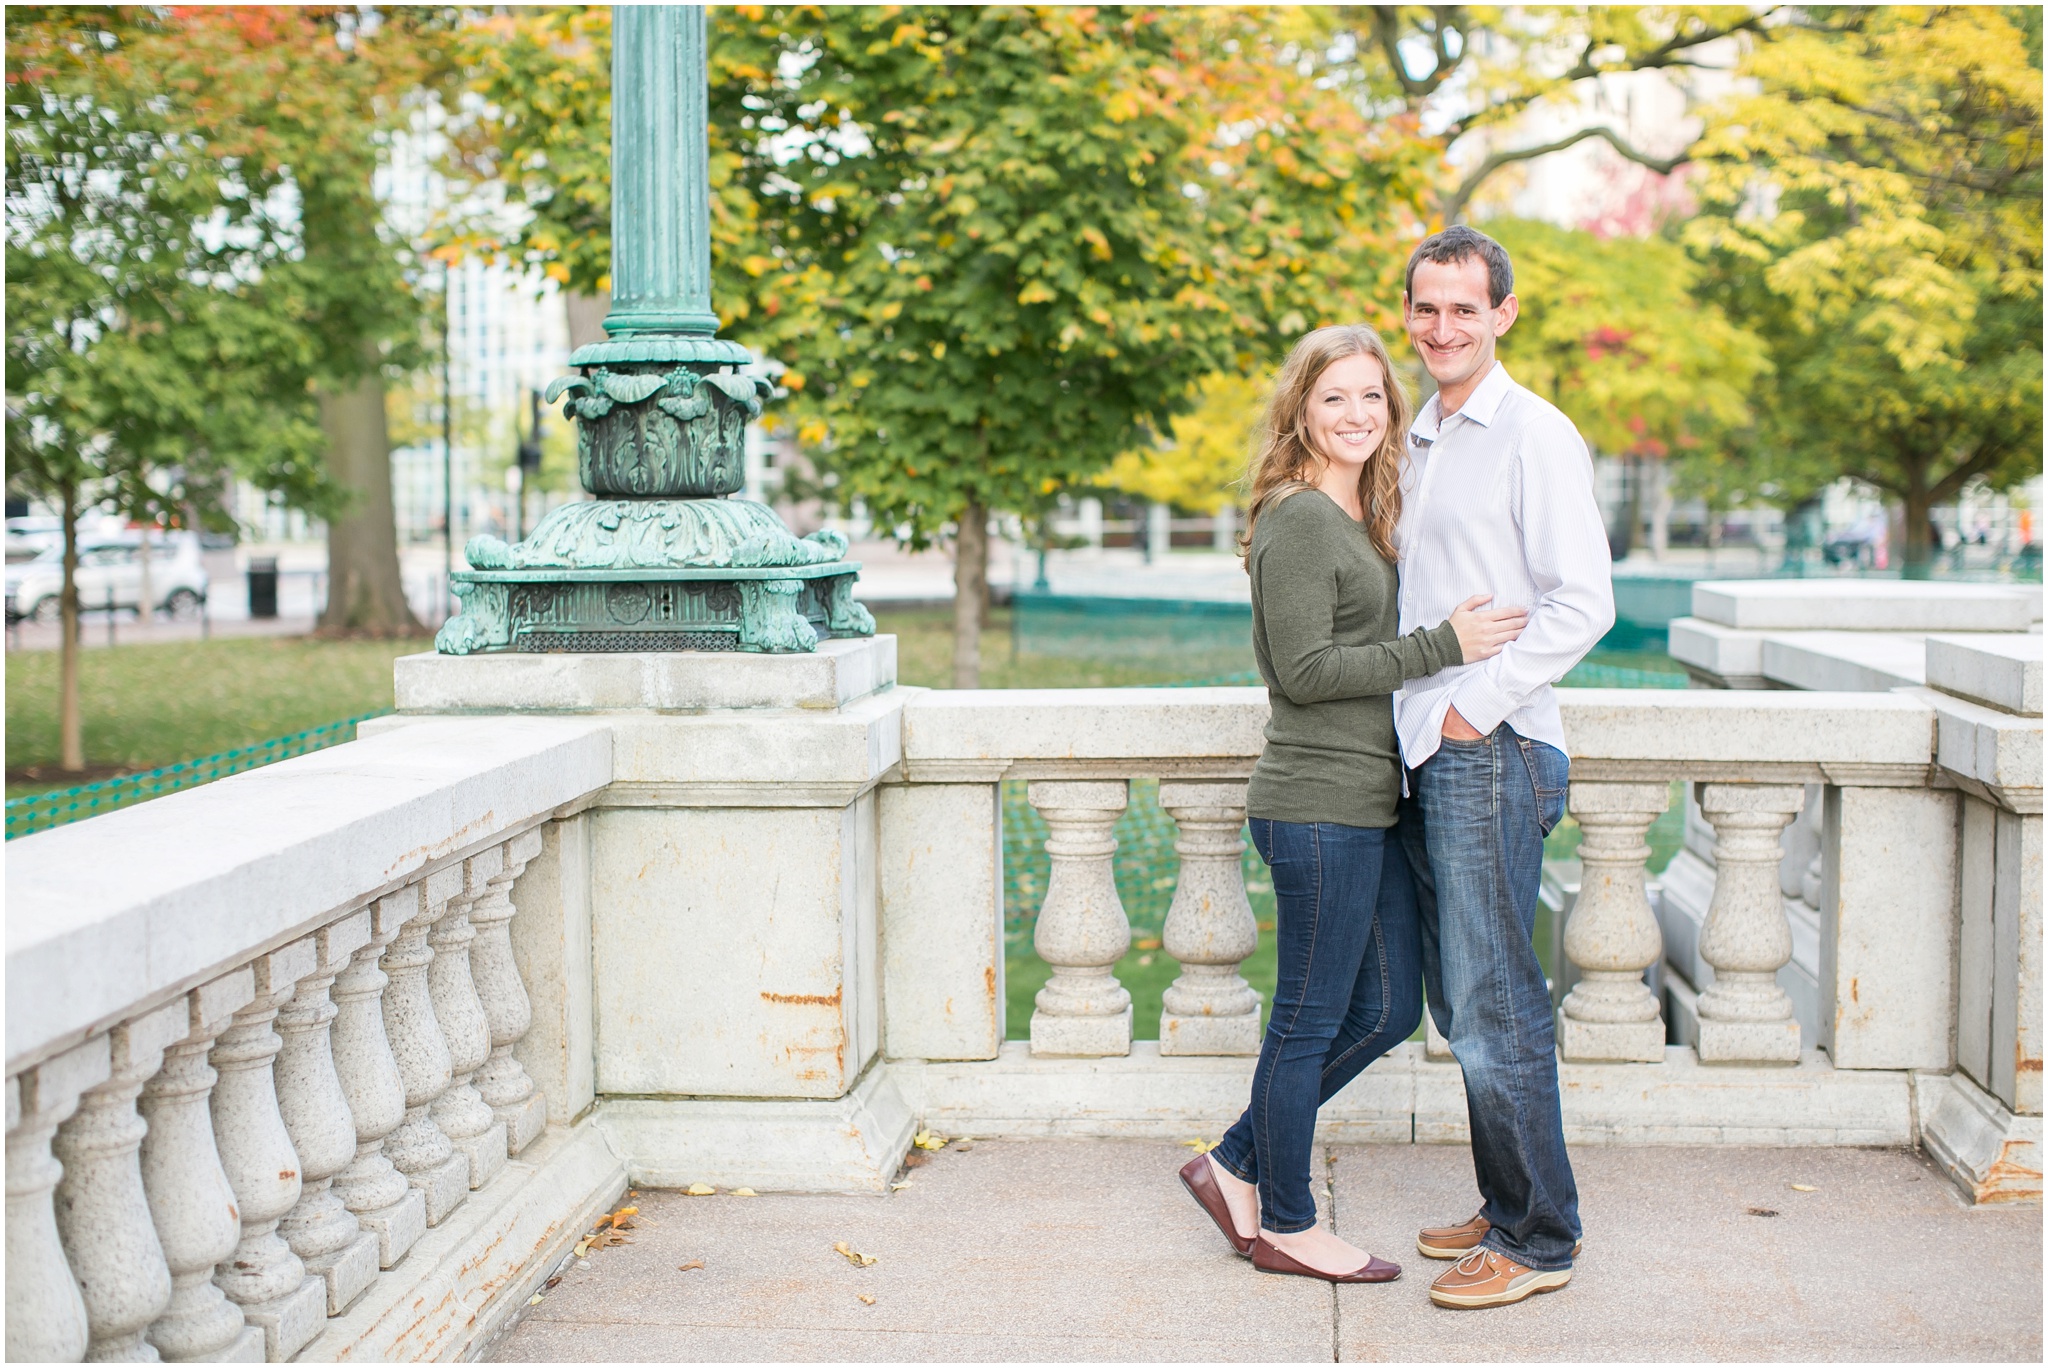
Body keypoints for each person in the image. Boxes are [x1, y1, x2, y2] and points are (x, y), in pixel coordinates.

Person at [1177, 324, 1526, 1283]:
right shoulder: (1296, 519)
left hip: (1362, 803)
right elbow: (1305, 670)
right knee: (1307, 1017)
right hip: (1315, 804)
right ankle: (1286, 1222)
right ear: (1302, 411)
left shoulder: (1358, 519)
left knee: (1384, 1008)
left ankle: (1237, 1162)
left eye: (1373, 397)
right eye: (1335, 398)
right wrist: (1443, 647)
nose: (1357, 415)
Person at [1392, 225, 1615, 1309]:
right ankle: (1503, 1196)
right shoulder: (1420, 436)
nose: (1442, 328)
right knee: (1461, 997)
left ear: (1502, 315)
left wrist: (1473, 713)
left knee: (1495, 1004)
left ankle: (1537, 1240)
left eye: (1462, 310)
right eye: (1425, 309)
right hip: (1431, 750)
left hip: (1492, 748)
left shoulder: (1533, 434)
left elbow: (1584, 603)